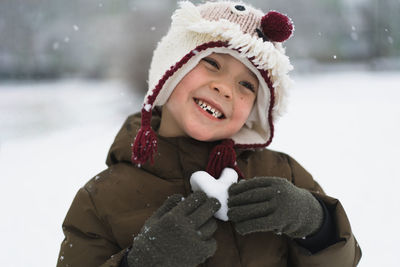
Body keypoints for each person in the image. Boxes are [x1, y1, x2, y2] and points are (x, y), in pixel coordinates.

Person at [57, 1, 362, 266]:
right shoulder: (100, 200)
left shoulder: (284, 174)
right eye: (212, 63)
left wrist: (316, 223)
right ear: (171, 69)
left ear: (257, 110)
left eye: (247, 85)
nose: (225, 88)